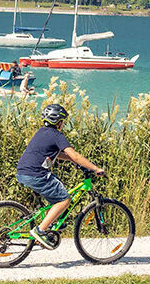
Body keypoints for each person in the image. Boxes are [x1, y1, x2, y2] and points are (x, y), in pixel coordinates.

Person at [16, 104, 105, 248]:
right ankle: (40, 230)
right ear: (58, 121)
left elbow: (63, 154)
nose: (63, 124)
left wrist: (71, 160)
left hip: (23, 172)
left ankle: (50, 223)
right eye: (62, 121)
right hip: (37, 174)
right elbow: (74, 154)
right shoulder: (57, 135)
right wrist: (95, 168)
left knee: (55, 186)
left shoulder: (41, 132)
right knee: (64, 199)